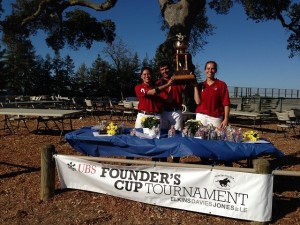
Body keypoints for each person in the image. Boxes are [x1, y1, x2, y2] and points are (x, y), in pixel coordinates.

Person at [156, 60, 199, 163]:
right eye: (162, 69)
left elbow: (188, 83)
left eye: (166, 69)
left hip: (176, 111)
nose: (164, 71)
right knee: (163, 136)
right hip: (163, 112)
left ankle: (175, 160)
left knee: (177, 136)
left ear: (170, 69)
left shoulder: (178, 80)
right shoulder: (158, 83)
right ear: (160, 71)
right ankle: (163, 160)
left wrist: (190, 74)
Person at [194, 61, 230, 129]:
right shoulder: (200, 85)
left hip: (215, 118)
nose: (210, 71)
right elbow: (197, 102)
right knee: (199, 138)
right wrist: (195, 86)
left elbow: (226, 104)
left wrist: (226, 119)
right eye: (208, 68)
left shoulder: (221, 84)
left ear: (216, 70)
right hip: (201, 117)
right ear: (205, 70)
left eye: (212, 68)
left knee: (215, 138)